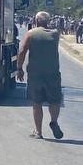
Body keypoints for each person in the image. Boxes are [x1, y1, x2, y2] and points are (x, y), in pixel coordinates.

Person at [17, 11, 64, 140]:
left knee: (37, 102)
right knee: (54, 101)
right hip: (53, 73)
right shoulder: (55, 34)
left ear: (35, 21)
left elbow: (22, 51)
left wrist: (19, 68)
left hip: (35, 74)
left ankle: (38, 132)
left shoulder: (31, 34)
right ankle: (54, 121)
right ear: (47, 22)